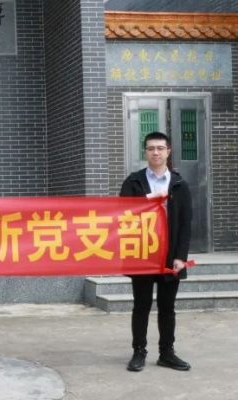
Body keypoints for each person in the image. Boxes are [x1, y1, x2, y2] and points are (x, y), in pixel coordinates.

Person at [120, 131, 192, 372]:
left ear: (168, 151)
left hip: (170, 256)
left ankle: (167, 353)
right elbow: (123, 217)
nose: (156, 152)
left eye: (160, 148)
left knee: (167, 308)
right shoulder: (133, 182)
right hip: (143, 254)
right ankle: (138, 351)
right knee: (141, 306)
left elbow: (185, 223)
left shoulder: (179, 185)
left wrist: (180, 256)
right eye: (151, 148)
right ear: (145, 152)